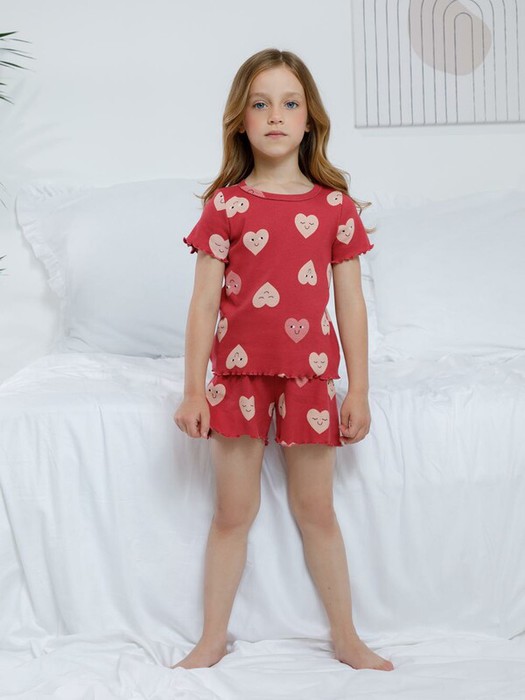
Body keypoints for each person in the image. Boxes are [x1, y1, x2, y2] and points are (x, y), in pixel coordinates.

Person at [172, 48, 394, 673]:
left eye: (289, 103)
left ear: (309, 118)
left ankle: (346, 638)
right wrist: (194, 389)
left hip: (310, 378)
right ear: (240, 120)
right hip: (237, 376)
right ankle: (211, 639)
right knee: (232, 514)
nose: (275, 116)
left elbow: (351, 305)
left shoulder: (335, 208)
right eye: (260, 104)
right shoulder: (226, 206)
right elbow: (202, 304)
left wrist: (359, 390)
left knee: (317, 512)